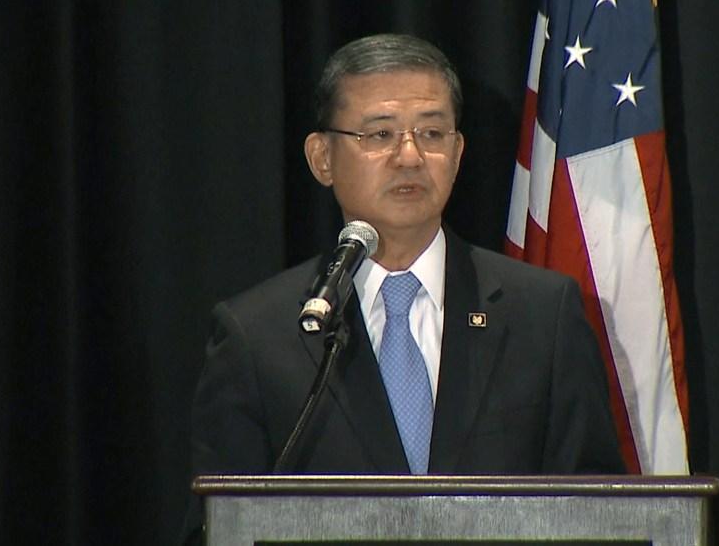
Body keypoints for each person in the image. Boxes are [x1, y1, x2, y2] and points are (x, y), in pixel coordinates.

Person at [182, 33, 625, 542]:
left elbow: (598, 521)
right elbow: (215, 530)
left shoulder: (543, 315)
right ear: (322, 158)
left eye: (432, 133)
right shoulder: (256, 336)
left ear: (457, 153)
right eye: (380, 135)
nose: (410, 156)